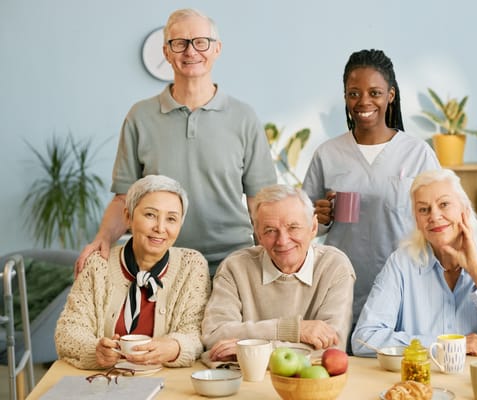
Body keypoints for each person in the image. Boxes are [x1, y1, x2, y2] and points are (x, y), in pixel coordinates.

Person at [75, 8, 276, 276]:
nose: (191, 52)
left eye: (201, 42)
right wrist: (103, 238)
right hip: (158, 266)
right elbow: (123, 197)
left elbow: (260, 202)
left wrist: (272, 261)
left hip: (232, 266)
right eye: (179, 43)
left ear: (217, 49)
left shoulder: (244, 117)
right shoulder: (140, 116)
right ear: (166, 52)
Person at [302, 49, 440, 328]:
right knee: (345, 365)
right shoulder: (327, 154)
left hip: (406, 285)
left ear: (390, 95)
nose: (363, 101)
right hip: (342, 286)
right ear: (345, 97)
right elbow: (304, 224)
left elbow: (445, 213)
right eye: (354, 93)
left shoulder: (417, 153)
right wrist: (322, 218)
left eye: (375, 92)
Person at [351, 169, 477, 357]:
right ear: (417, 221)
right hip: (417, 381)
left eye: (444, 204)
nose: (434, 216)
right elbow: (364, 340)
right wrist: (442, 345)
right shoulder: (401, 264)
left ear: (464, 210)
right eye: (423, 209)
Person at [55, 175, 211, 369]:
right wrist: (94, 350)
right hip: (105, 381)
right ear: (128, 217)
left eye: (171, 219)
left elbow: (196, 331)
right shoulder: (98, 264)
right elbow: (68, 330)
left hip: (166, 382)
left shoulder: (192, 266)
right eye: (150, 215)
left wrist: (176, 346)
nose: (160, 228)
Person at [202, 184, 356, 361]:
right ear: (258, 235)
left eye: (293, 227)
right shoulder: (235, 267)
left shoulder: (335, 266)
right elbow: (214, 336)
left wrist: (252, 351)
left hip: (308, 384)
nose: (282, 241)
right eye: (270, 231)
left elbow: (332, 349)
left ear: (313, 227)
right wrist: (292, 330)